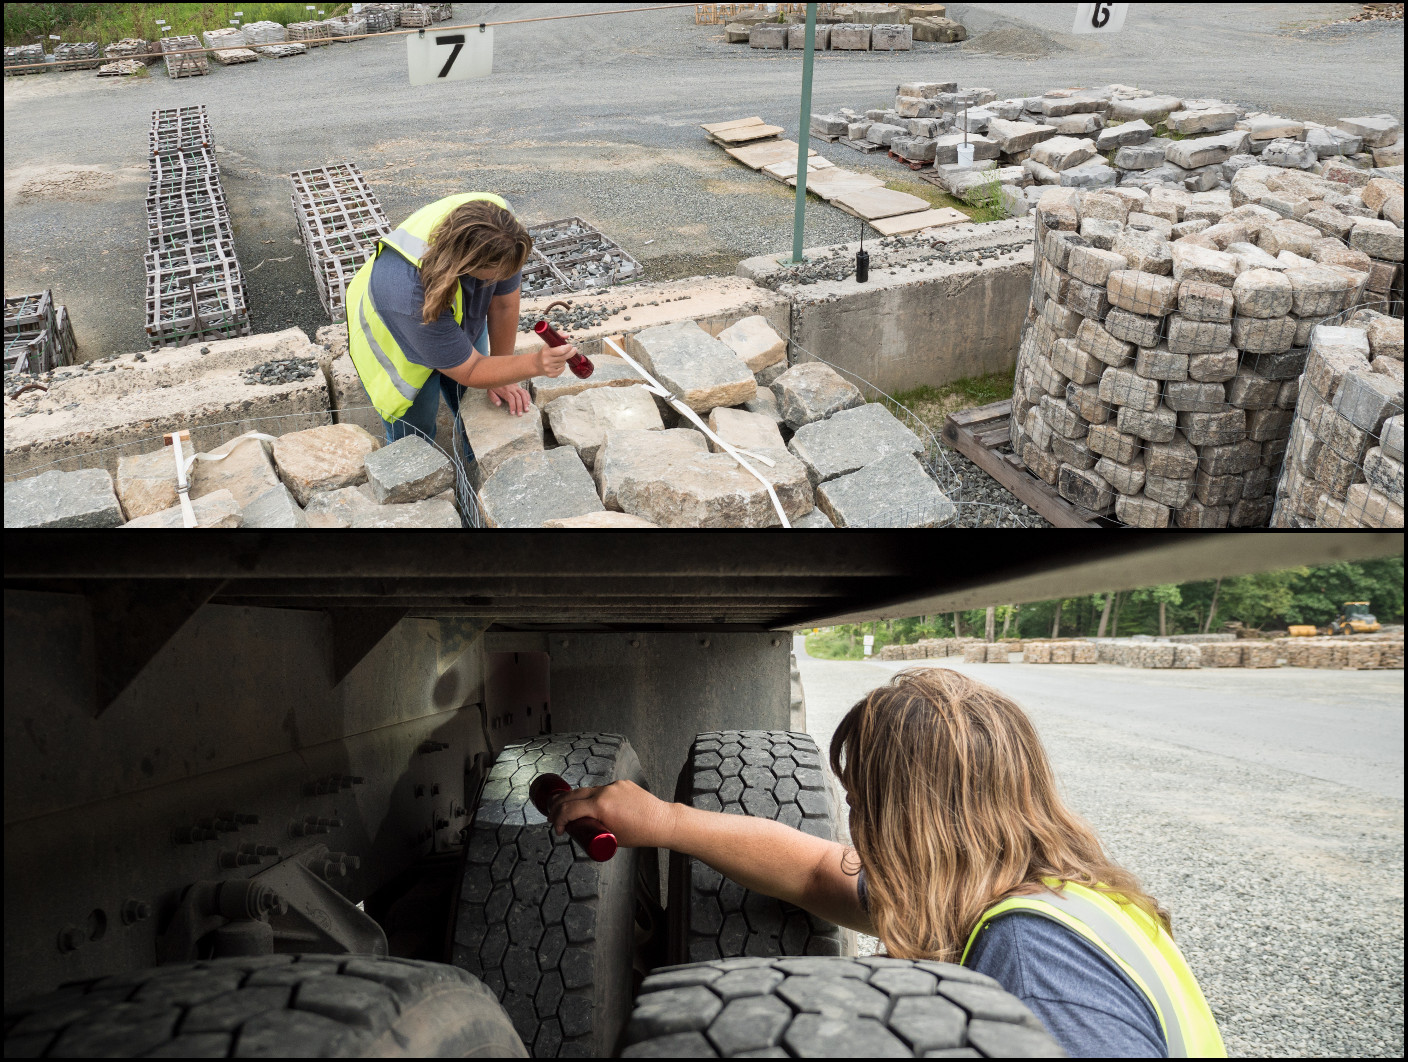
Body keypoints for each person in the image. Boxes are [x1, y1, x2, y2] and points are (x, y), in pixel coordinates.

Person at [548, 669, 1226, 1059]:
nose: (856, 831)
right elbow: (819, 872)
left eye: (861, 806)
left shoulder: (1032, 953)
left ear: (910, 823)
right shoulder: (1034, 892)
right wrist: (665, 822)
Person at [344, 192, 579, 465]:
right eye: (493, 276)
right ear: (467, 265)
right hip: (399, 346)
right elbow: (470, 369)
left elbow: (503, 305)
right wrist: (535, 363)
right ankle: (417, 484)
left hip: (449, 314)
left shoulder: (500, 230)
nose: (500, 279)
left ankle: (473, 467)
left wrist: (502, 371)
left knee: (475, 401)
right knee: (415, 436)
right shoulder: (408, 295)